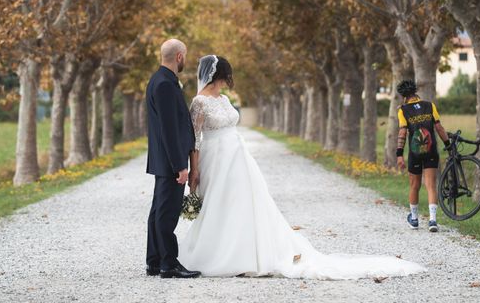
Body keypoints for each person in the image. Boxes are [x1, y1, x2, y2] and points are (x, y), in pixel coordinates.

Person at [178, 55, 426, 279]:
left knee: (244, 204)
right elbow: (196, 138)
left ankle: (245, 254)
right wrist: (195, 169)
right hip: (215, 158)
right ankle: (218, 252)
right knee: (217, 204)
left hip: (238, 157)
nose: (226, 82)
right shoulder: (199, 102)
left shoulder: (223, 99)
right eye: (225, 77)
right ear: (216, 75)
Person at [145, 39, 201, 278]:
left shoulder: (159, 80)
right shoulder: (166, 85)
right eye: (185, 56)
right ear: (179, 56)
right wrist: (181, 166)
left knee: (158, 211)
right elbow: (169, 129)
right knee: (166, 213)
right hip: (170, 162)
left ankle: (154, 261)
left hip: (163, 160)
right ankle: (169, 264)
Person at [396, 80, 450, 233]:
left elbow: (402, 132)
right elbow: (438, 127)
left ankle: (414, 220)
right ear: (415, 92)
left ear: (403, 96)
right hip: (431, 149)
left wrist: (399, 154)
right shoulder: (429, 105)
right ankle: (433, 220)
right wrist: (448, 144)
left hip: (415, 152)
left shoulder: (403, 110)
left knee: (415, 186)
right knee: (431, 185)